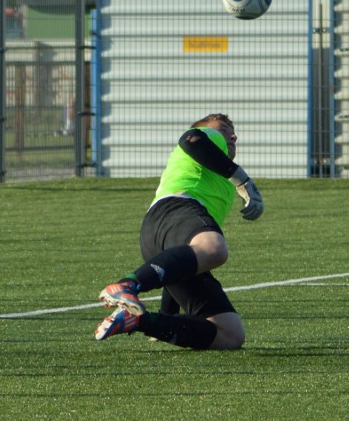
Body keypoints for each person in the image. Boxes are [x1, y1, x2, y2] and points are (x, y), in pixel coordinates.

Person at [95, 113, 264, 350]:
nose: (232, 135)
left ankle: (139, 320)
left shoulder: (218, 180)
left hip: (160, 234)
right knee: (213, 249)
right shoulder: (208, 137)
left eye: (232, 131)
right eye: (225, 129)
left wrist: (166, 317)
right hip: (175, 210)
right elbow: (191, 139)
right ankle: (126, 285)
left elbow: (182, 259)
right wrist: (242, 180)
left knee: (230, 335)